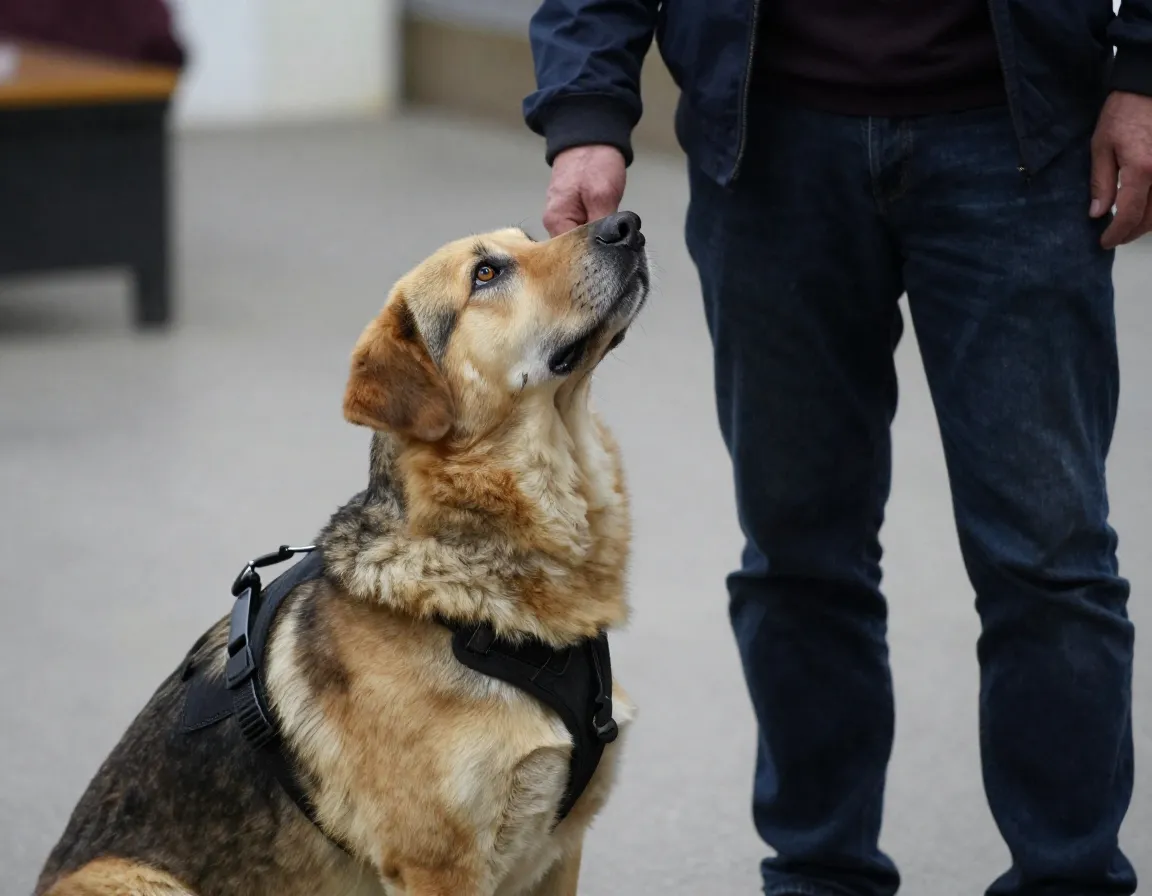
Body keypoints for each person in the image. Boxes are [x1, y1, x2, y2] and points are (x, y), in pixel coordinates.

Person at [523, 2, 1152, 895]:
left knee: (1051, 561)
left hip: (1018, 135)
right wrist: (585, 108)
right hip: (769, 141)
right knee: (798, 557)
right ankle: (821, 876)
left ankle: (1070, 880)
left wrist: (1144, 75)